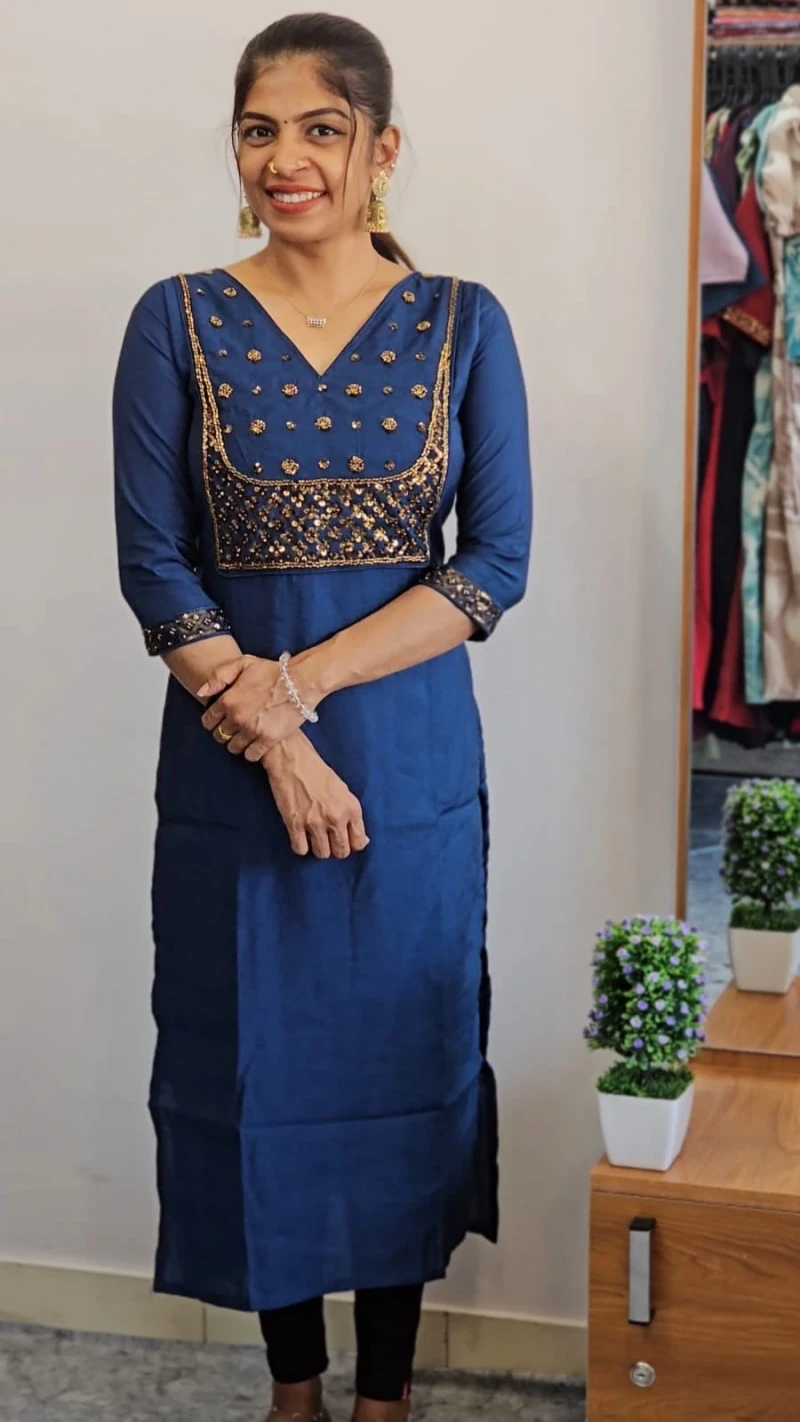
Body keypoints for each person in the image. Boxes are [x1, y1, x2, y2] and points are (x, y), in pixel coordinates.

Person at [112, 13, 532, 1422]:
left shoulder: (463, 321)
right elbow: (156, 565)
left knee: (402, 1059)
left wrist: (306, 684)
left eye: (319, 128)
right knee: (255, 1067)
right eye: (259, 129)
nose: (284, 158)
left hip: (407, 770)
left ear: (381, 148)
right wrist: (277, 736)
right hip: (232, 771)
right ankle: (293, 1393)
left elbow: (492, 566)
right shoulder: (176, 318)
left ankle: (387, 1398)